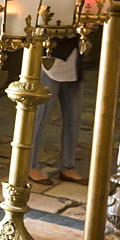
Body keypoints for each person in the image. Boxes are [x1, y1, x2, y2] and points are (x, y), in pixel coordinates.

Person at [28, 37, 88, 186]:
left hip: (73, 60)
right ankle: (30, 165)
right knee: (41, 116)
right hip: (50, 59)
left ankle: (68, 166)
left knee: (73, 118)